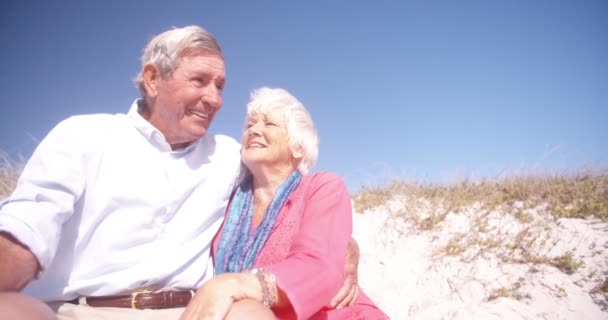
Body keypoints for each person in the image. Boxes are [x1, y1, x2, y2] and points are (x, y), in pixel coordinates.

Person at [0, 26, 358, 320]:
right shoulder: (84, 135)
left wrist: (344, 247)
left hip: (190, 311)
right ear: (153, 79)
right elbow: (27, 227)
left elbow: (292, 199)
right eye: (199, 81)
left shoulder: (227, 157)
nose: (215, 99)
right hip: (79, 311)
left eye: (220, 86)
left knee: (249, 315)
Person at [180, 87, 388, 320]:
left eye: (269, 124)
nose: (255, 130)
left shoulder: (322, 187)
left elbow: (319, 265)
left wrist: (233, 284)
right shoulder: (228, 204)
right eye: (250, 125)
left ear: (299, 147)